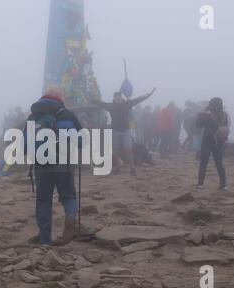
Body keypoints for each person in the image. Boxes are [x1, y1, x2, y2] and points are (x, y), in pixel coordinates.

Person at [26, 85, 83, 246]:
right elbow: (81, 141)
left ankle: (44, 239)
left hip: (41, 164)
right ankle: (70, 224)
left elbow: (25, 144)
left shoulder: (33, 116)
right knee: (69, 196)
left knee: (43, 201)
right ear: (59, 96)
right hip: (63, 162)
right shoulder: (66, 114)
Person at [93, 88, 156, 175]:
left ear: (121, 97)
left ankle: (132, 167)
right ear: (114, 98)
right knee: (116, 150)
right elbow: (100, 103)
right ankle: (118, 167)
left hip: (125, 130)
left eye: (119, 97)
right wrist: (91, 99)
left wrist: (149, 94)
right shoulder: (111, 106)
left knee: (128, 149)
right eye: (116, 97)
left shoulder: (127, 104)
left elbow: (138, 99)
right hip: (115, 130)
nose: (118, 99)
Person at [196, 98, 229, 190]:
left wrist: (203, 113)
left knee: (203, 162)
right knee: (219, 163)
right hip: (219, 141)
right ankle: (223, 184)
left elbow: (198, 124)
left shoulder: (207, 114)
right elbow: (225, 126)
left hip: (207, 140)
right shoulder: (224, 115)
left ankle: (200, 184)